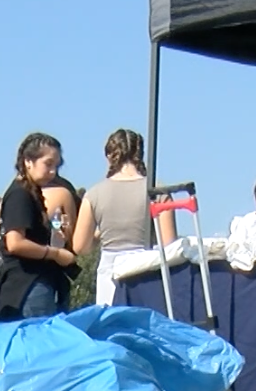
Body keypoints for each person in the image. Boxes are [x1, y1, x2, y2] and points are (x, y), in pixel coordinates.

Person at [71, 128, 177, 306]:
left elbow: (80, 246)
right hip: (147, 268)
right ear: (140, 154)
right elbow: (170, 245)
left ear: (109, 156)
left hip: (110, 272)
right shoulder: (157, 190)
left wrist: (99, 236)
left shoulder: (94, 194)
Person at [0, 132, 78, 320]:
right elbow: (15, 243)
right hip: (28, 284)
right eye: (48, 164)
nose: (53, 172)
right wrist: (55, 254)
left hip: (33, 282)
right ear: (28, 161)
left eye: (56, 166)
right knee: (36, 343)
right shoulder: (20, 194)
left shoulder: (32, 193)